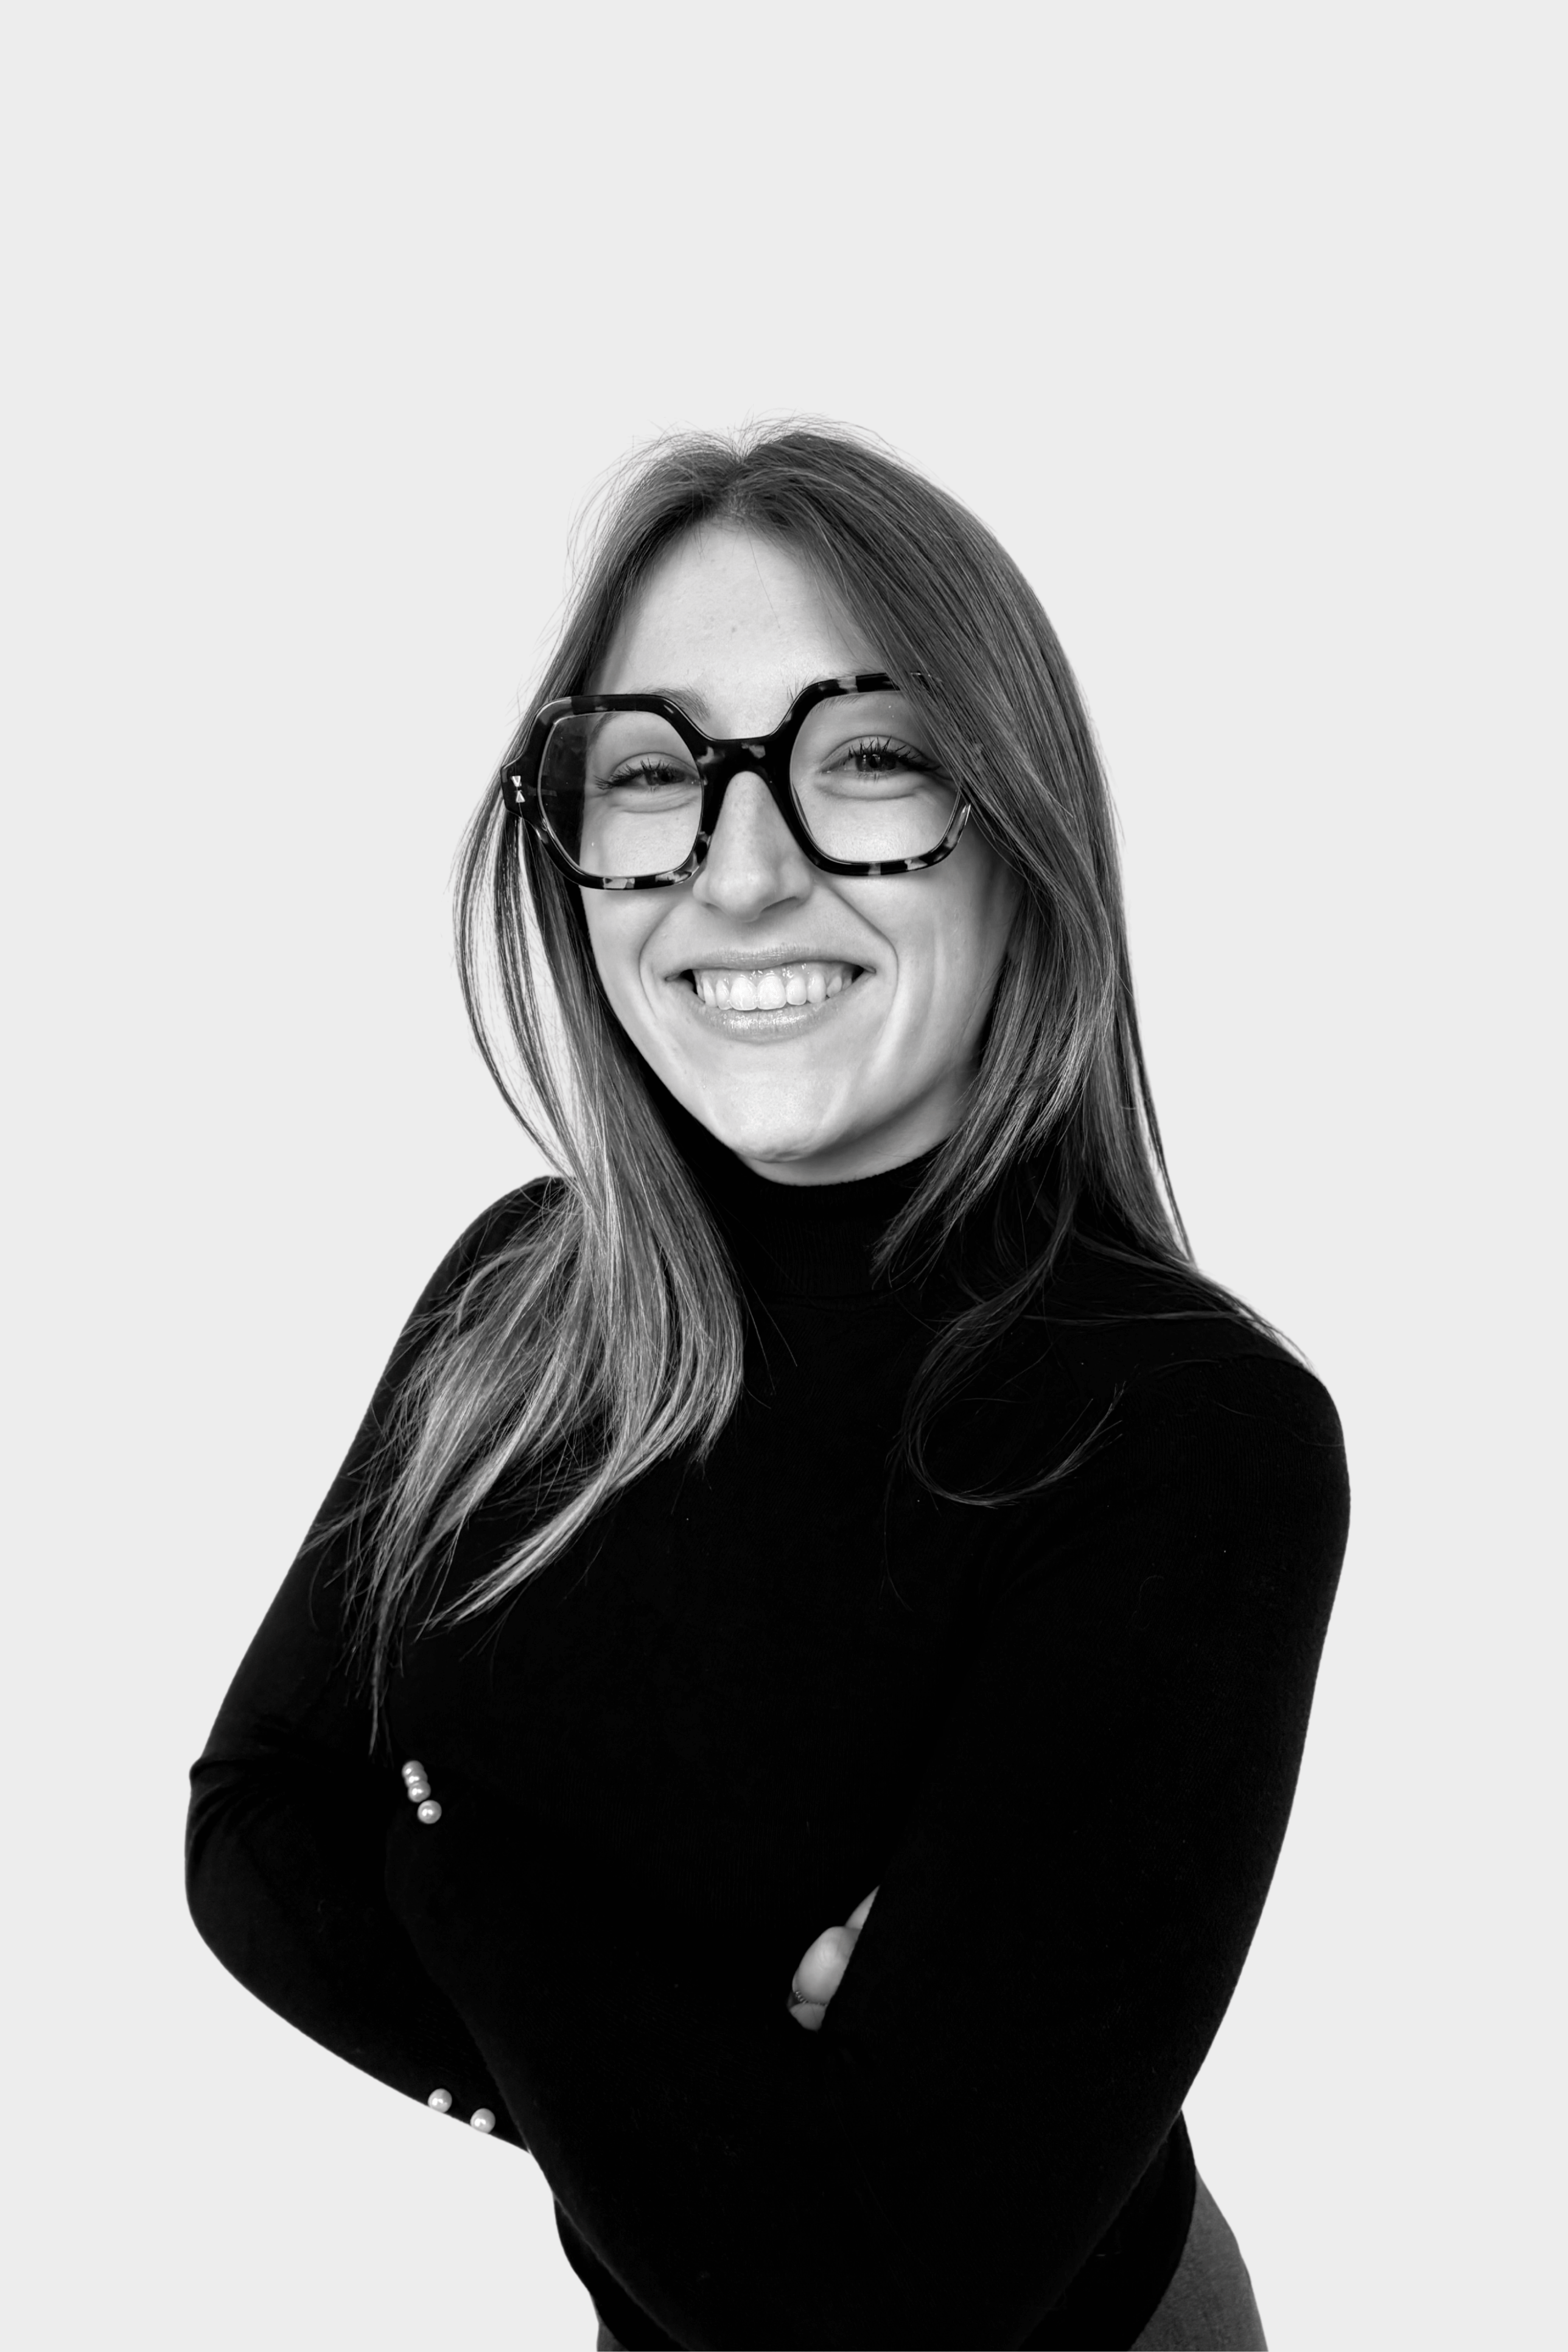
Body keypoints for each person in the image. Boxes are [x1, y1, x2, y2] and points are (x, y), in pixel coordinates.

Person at [186, 423, 1349, 2351]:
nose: (738, 874)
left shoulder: (1186, 1434)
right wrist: (716, 2063)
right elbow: (247, 1832)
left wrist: (452, 1861)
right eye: (653, 773)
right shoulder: (521, 1302)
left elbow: (870, 2309)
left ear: (1020, 831)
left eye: (867, 758)